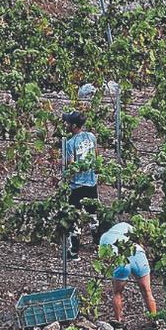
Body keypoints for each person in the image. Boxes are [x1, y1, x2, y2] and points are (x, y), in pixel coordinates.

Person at [99, 221, 157, 326]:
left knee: (117, 293)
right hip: (138, 255)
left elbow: (104, 256)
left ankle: (118, 322)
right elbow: (139, 239)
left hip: (120, 259)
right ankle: (154, 322)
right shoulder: (126, 226)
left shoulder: (104, 238)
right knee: (147, 292)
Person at [61, 109, 97, 257]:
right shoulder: (91, 136)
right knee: (93, 215)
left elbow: (70, 165)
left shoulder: (69, 143)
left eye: (68, 122)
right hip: (91, 182)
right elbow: (96, 156)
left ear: (74, 125)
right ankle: (98, 245)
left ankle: (74, 251)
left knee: (74, 216)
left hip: (76, 185)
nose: (66, 124)